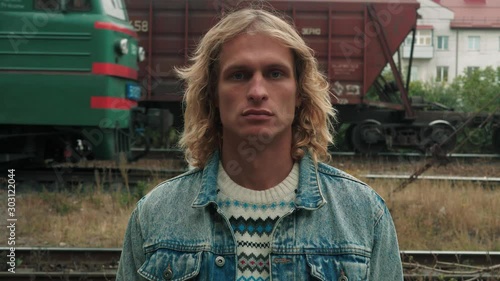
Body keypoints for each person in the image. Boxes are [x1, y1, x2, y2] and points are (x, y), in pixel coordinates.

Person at [117, 7, 404, 281]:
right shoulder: (155, 214)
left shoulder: (365, 214)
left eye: (275, 73)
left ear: (300, 93)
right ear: (213, 95)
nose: (257, 91)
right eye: (238, 75)